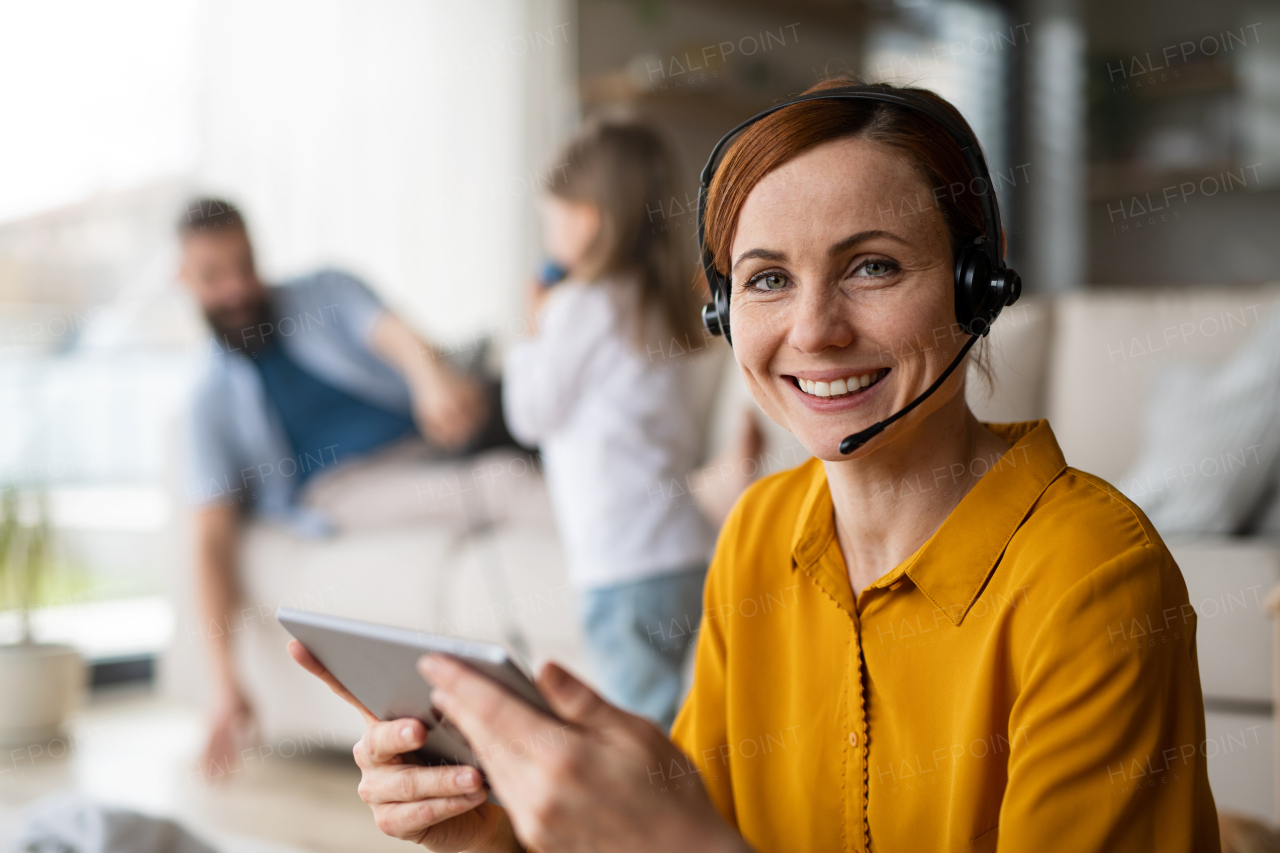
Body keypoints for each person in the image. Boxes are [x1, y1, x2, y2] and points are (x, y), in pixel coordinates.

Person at [290, 78, 1220, 852]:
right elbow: (707, 817)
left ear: (981, 279)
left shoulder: (1097, 579)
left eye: (873, 267)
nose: (813, 332)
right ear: (723, 313)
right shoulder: (762, 530)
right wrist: (497, 828)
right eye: (768, 279)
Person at [179, 198, 509, 779]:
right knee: (502, 485)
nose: (235, 288)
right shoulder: (207, 405)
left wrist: (431, 379)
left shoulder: (322, 291)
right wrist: (225, 686)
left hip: (436, 439)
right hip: (348, 488)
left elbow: (395, 334)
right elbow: (210, 543)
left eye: (244, 265)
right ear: (184, 280)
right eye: (213, 276)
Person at [502, 121, 758, 730]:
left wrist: (532, 328)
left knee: (643, 727)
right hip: (682, 547)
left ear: (587, 220)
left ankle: (656, 824)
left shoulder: (579, 307)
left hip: (621, 560)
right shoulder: (659, 304)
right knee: (685, 711)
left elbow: (528, 415)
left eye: (552, 217)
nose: (549, 231)